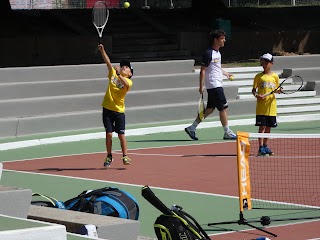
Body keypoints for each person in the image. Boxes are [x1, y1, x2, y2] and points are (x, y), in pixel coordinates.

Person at [184, 29, 236, 141]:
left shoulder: (218, 53)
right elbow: (203, 70)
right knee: (223, 108)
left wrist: (226, 73)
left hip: (216, 83)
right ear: (215, 39)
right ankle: (227, 132)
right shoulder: (208, 53)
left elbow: (216, 68)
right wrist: (201, 86)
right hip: (214, 85)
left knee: (210, 109)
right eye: (222, 38)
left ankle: (192, 128)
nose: (224, 40)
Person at [98, 44, 133, 167]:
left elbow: (126, 85)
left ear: (130, 73)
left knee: (121, 134)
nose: (125, 67)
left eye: (127, 67)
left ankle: (125, 156)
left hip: (119, 112)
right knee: (108, 133)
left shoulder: (128, 81)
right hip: (107, 109)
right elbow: (108, 62)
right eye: (123, 65)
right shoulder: (113, 73)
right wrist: (103, 51)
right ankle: (109, 156)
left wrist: (118, 74)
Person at [252, 53, 280, 156]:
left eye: (267, 62)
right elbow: (253, 90)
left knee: (268, 127)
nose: (264, 64)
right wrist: (257, 95)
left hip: (271, 107)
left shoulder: (275, 77)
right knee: (262, 127)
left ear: (271, 64)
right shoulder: (258, 77)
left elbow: (277, 89)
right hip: (261, 107)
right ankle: (260, 148)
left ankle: (265, 146)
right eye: (263, 61)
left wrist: (279, 91)